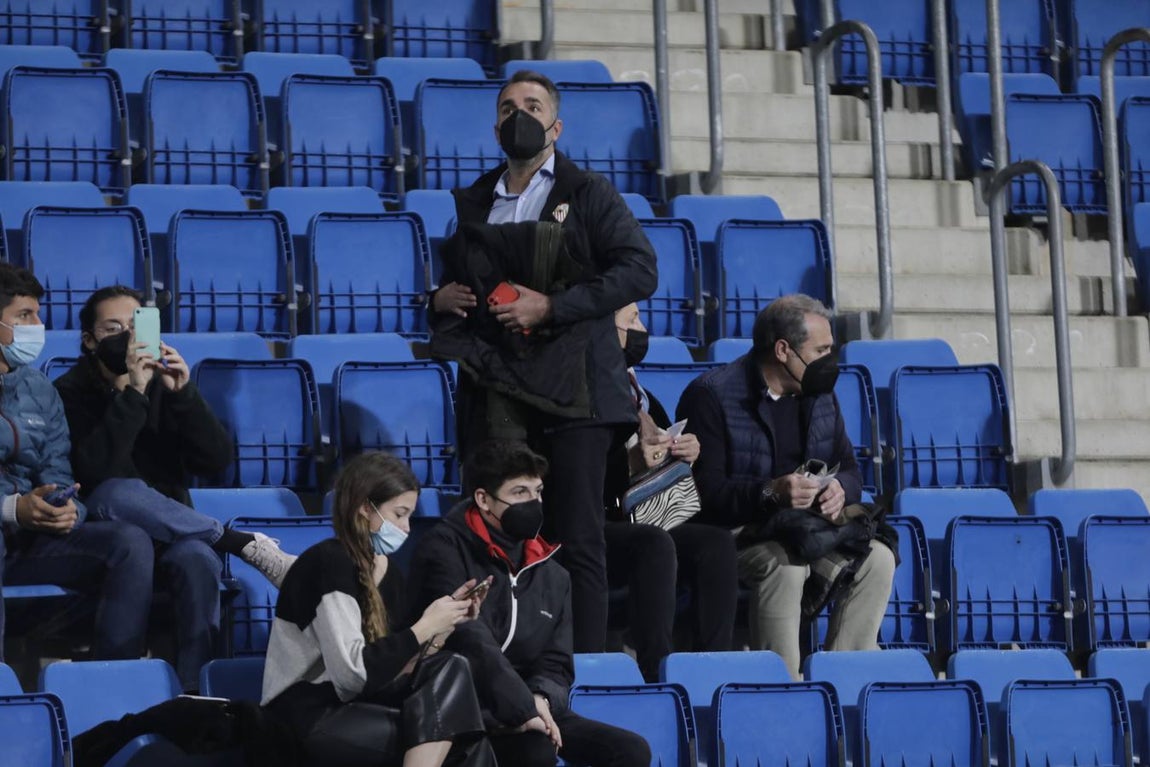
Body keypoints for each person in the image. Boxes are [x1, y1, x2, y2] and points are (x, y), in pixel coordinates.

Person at [430, 69, 658, 653]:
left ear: (555, 127)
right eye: (507, 108)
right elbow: (465, 283)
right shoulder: (477, 200)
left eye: (531, 106)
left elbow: (639, 269)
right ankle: (502, 662)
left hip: (577, 389)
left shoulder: (590, 194)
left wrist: (552, 306)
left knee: (576, 538)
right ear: (495, 126)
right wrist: (438, 298)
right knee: (496, 535)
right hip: (502, 389)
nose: (518, 116)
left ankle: (584, 670)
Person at [54, 285, 296, 690]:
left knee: (198, 560)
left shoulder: (164, 385)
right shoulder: (68, 392)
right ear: (89, 340)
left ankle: (194, 696)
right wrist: (132, 393)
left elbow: (216, 462)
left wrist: (184, 395)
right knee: (118, 492)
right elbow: (96, 471)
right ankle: (238, 542)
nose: (126, 337)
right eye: (112, 328)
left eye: (135, 327)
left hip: (173, 531)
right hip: (104, 531)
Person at [677, 294, 897, 679]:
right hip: (739, 535)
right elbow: (704, 495)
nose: (831, 361)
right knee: (786, 567)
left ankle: (843, 680)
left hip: (805, 529)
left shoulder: (821, 395)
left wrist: (840, 490)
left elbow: (849, 469)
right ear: (783, 350)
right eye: (822, 350)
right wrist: (770, 492)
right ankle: (782, 686)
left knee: (877, 557)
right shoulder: (711, 395)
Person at [408, 440, 652, 767]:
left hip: (531, 706)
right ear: (483, 499)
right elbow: (469, 639)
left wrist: (541, 699)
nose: (534, 502)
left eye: (537, 492)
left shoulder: (553, 573)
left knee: (631, 751)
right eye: (520, 492)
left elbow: (557, 661)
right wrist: (521, 708)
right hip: (467, 706)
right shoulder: (444, 550)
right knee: (535, 753)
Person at [261, 451, 494, 767]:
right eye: (399, 514)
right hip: (307, 716)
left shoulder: (390, 573)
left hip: (361, 704)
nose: (407, 528)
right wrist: (424, 626)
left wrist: (445, 625)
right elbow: (351, 675)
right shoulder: (329, 563)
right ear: (363, 508)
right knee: (456, 738)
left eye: (409, 516)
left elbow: (395, 666)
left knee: (459, 696)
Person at [0, 264, 154, 663]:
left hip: (32, 539)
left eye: (37, 313)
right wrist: (14, 509)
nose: (38, 324)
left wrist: (65, 508)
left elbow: (58, 468)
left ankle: (113, 679)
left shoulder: (38, 388)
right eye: (23, 315)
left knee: (129, 543)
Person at [603, 303, 737, 681]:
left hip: (646, 512)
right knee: (654, 544)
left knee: (716, 543)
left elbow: (661, 448)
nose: (642, 328)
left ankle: (714, 669)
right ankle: (657, 672)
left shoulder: (641, 394)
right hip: (599, 519)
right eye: (631, 320)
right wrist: (629, 462)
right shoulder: (588, 388)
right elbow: (581, 472)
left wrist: (685, 453)